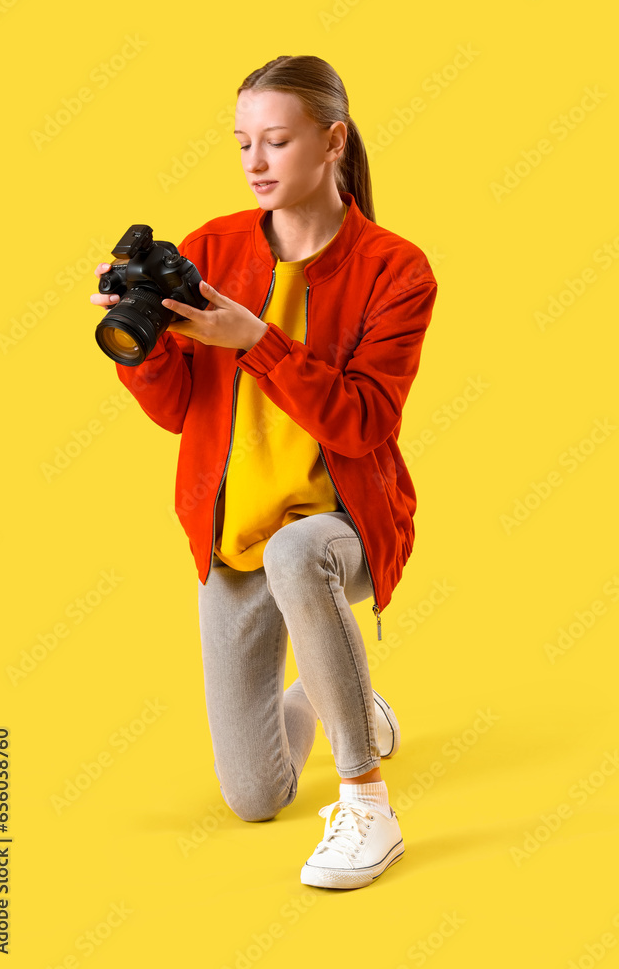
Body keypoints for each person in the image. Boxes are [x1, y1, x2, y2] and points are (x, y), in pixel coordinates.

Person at [90, 54, 438, 890]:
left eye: (276, 140)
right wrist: (136, 345)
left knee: (296, 554)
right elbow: (181, 410)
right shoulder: (211, 246)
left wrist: (259, 342)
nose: (254, 161)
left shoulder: (396, 268)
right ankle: (345, 695)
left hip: (339, 525)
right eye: (243, 141)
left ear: (332, 142)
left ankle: (367, 805)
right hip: (230, 535)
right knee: (253, 795)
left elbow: (364, 421)